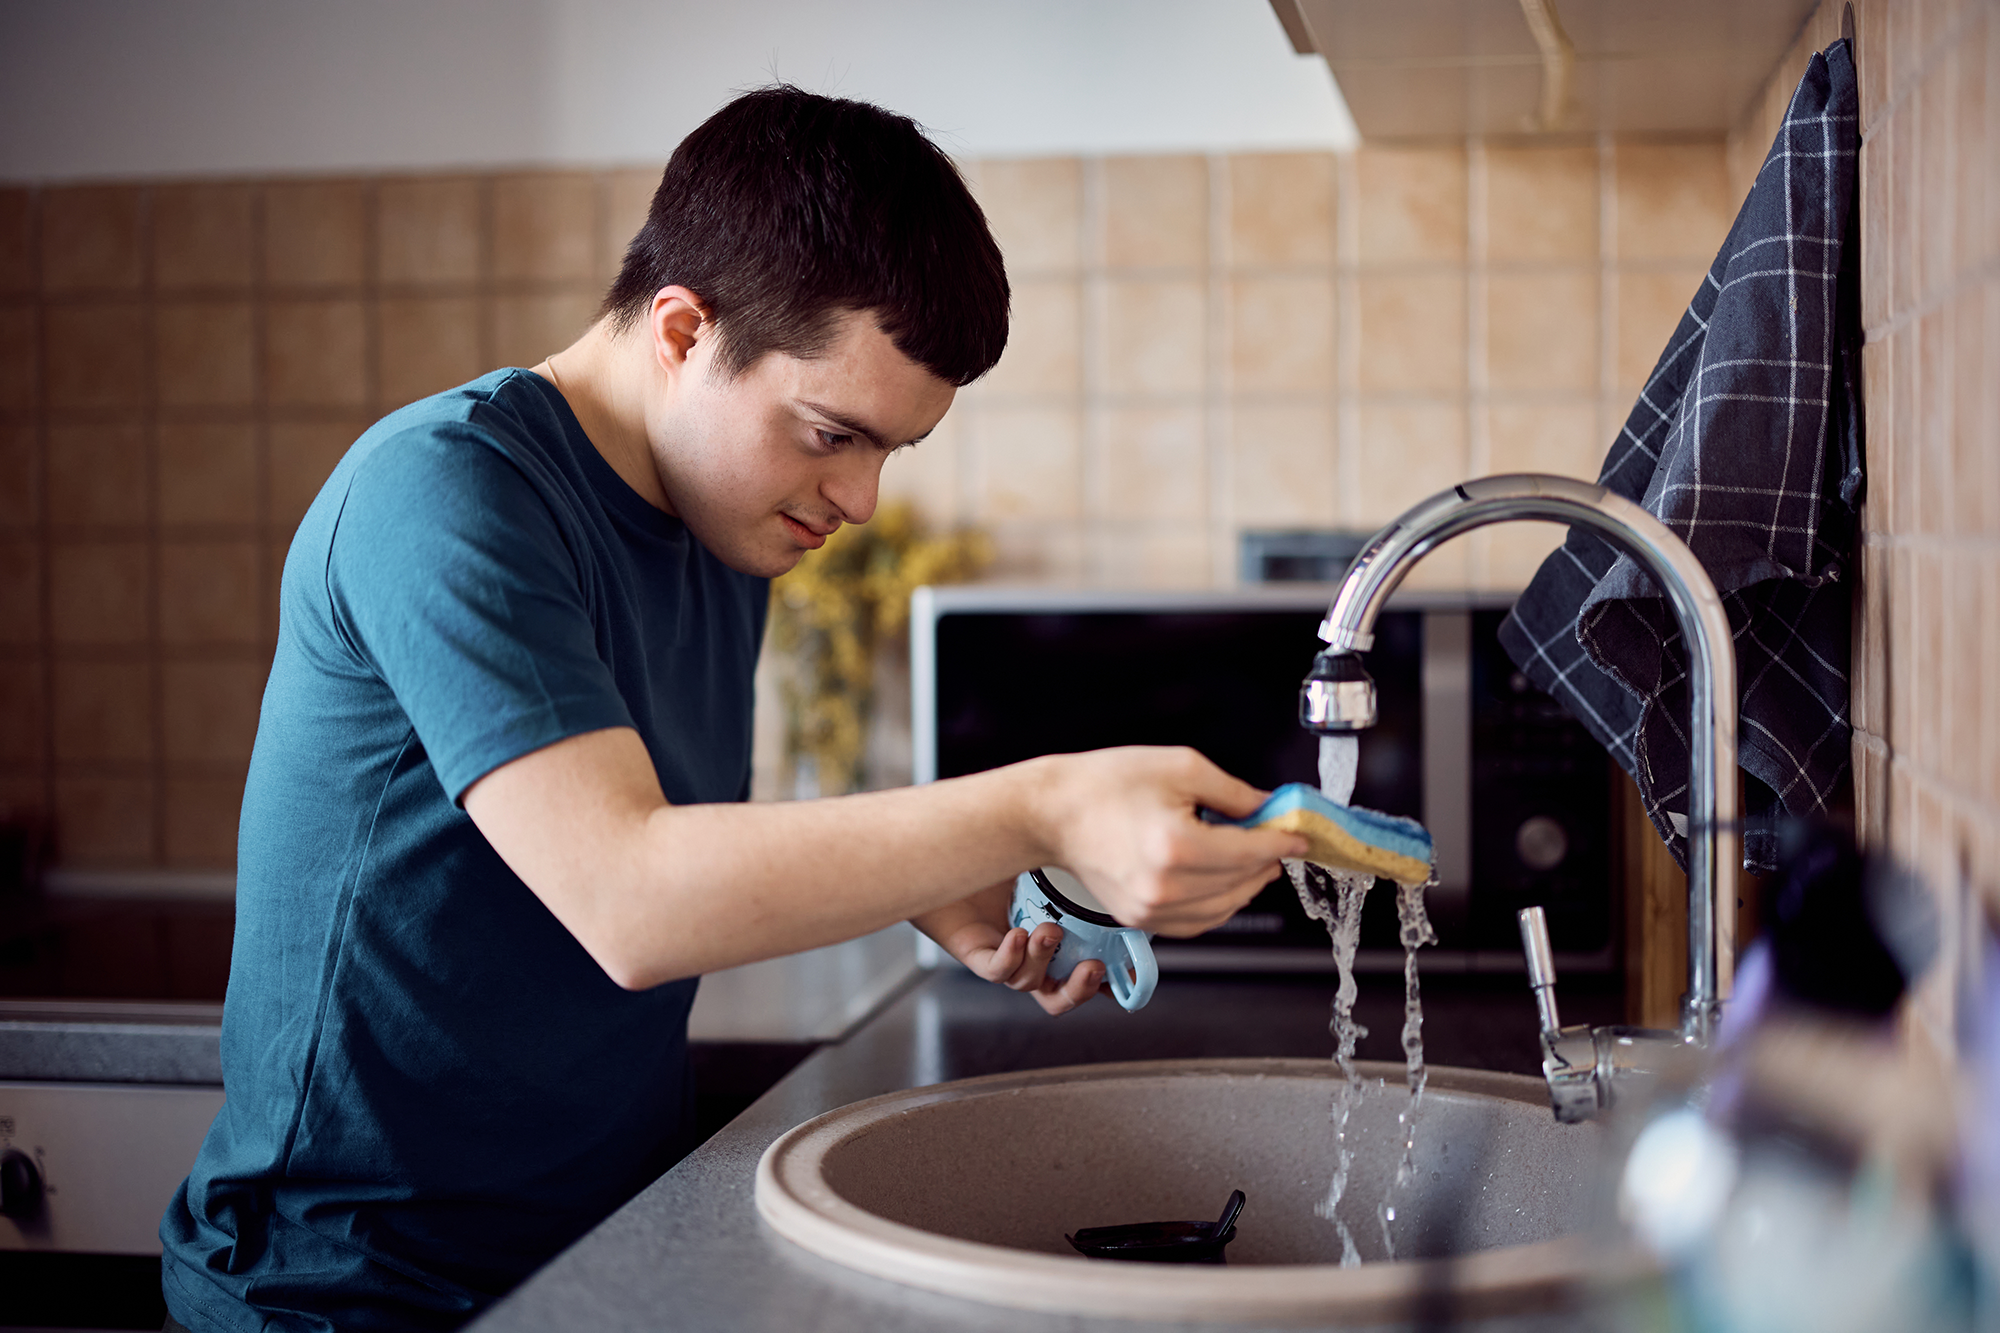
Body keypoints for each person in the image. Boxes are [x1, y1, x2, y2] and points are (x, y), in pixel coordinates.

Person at [158, 86, 1304, 1332]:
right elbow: (632, 895)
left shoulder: (721, 519)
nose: (858, 498)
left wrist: (926, 882)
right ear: (684, 329)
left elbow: (651, 815)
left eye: (889, 453)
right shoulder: (442, 495)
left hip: (591, 1263)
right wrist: (1033, 805)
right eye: (831, 433)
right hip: (343, 1295)